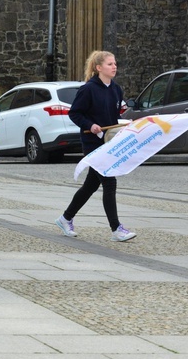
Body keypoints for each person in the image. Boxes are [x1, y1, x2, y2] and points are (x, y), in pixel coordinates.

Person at [55, 50, 136, 242]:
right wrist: (90, 125)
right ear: (98, 68)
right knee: (109, 182)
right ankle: (116, 229)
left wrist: (123, 125)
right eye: (110, 64)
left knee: (91, 185)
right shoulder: (88, 89)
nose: (114, 66)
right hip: (92, 144)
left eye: (115, 63)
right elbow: (75, 113)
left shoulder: (116, 89)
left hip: (109, 142)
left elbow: (114, 116)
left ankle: (65, 218)